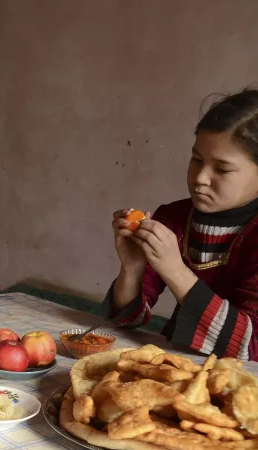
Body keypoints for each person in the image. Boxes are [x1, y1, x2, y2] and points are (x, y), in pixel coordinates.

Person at [106, 89, 258, 362]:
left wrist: (174, 270)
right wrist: (132, 268)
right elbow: (126, 320)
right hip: (177, 365)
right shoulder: (173, 217)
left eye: (222, 169)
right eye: (197, 160)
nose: (200, 178)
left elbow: (249, 348)